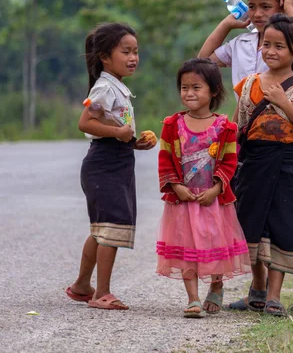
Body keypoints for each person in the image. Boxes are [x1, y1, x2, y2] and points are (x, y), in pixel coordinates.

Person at [200, 0, 293, 312]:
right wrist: (228, 24)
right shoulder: (241, 43)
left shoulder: (291, 37)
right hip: (251, 142)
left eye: (266, 6)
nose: (257, 14)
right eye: (252, 6)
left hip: (291, 147)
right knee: (251, 215)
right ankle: (258, 290)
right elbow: (203, 60)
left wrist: (291, 10)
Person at [233, 14, 293, 316]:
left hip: (287, 162)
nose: (270, 51)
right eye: (266, 45)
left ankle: (274, 296)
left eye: (279, 46)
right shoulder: (248, 85)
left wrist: (284, 103)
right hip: (253, 162)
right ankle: (257, 290)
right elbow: (238, 125)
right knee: (252, 225)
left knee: (281, 225)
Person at [65, 23, 156, 310]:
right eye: (125, 51)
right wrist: (119, 134)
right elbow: (86, 123)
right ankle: (101, 293)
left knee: (101, 229)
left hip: (117, 161)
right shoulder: (104, 87)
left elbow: (113, 126)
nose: (133, 57)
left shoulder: (116, 87)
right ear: (105, 56)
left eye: (136, 52)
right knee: (111, 226)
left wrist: (133, 142)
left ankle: (82, 285)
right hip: (103, 164)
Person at [156, 58, 251, 317]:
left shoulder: (224, 128)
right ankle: (193, 299)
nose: (189, 93)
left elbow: (231, 161)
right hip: (183, 201)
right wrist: (175, 186)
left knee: (213, 246)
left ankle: (216, 286)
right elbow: (165, 158)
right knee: (187, 248)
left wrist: (217, 188)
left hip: (213, 201)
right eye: (184, 87)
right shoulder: (171, 125)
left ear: (213, 91)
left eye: (196, 87)